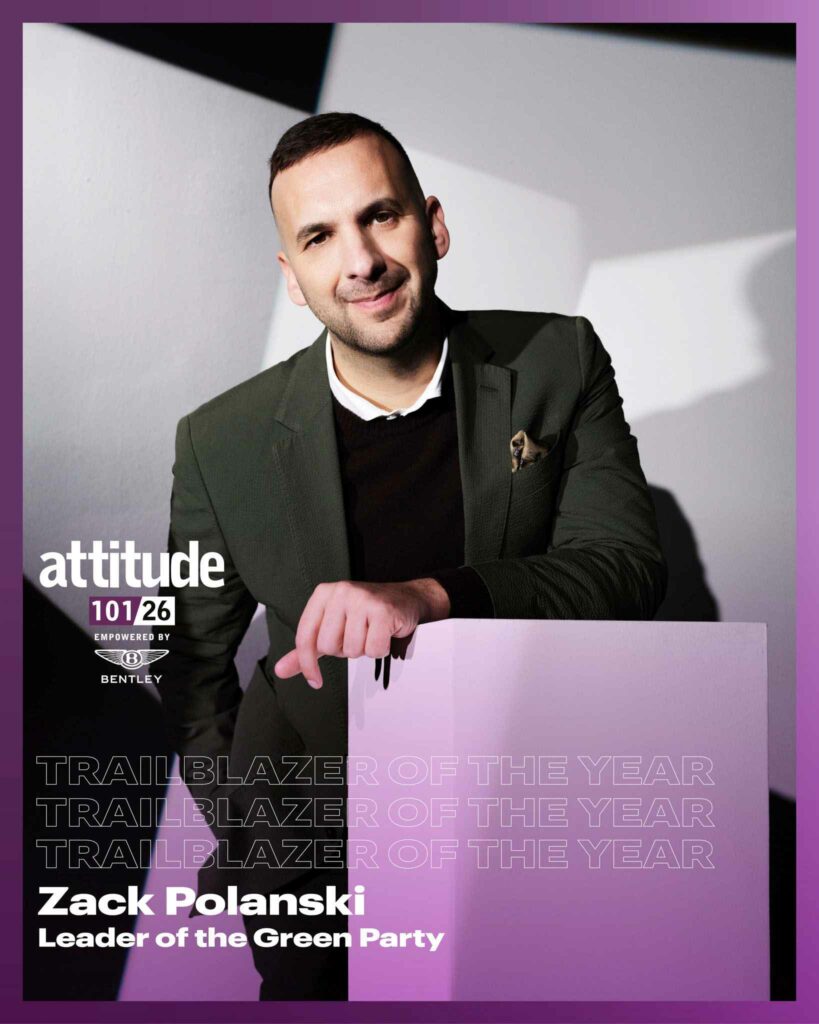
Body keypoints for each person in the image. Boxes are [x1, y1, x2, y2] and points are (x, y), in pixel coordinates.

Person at [156, 111, 667, 1000]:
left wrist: (435, 596)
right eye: (319, 237)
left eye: (380, 216)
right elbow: (191, 663)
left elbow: (624, 567)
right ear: (293, 276)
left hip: (534, 825)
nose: (359, 260)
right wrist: (252, 836)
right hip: (316, 869)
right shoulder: (218, 442)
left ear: (432, 225)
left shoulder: (558, 358)